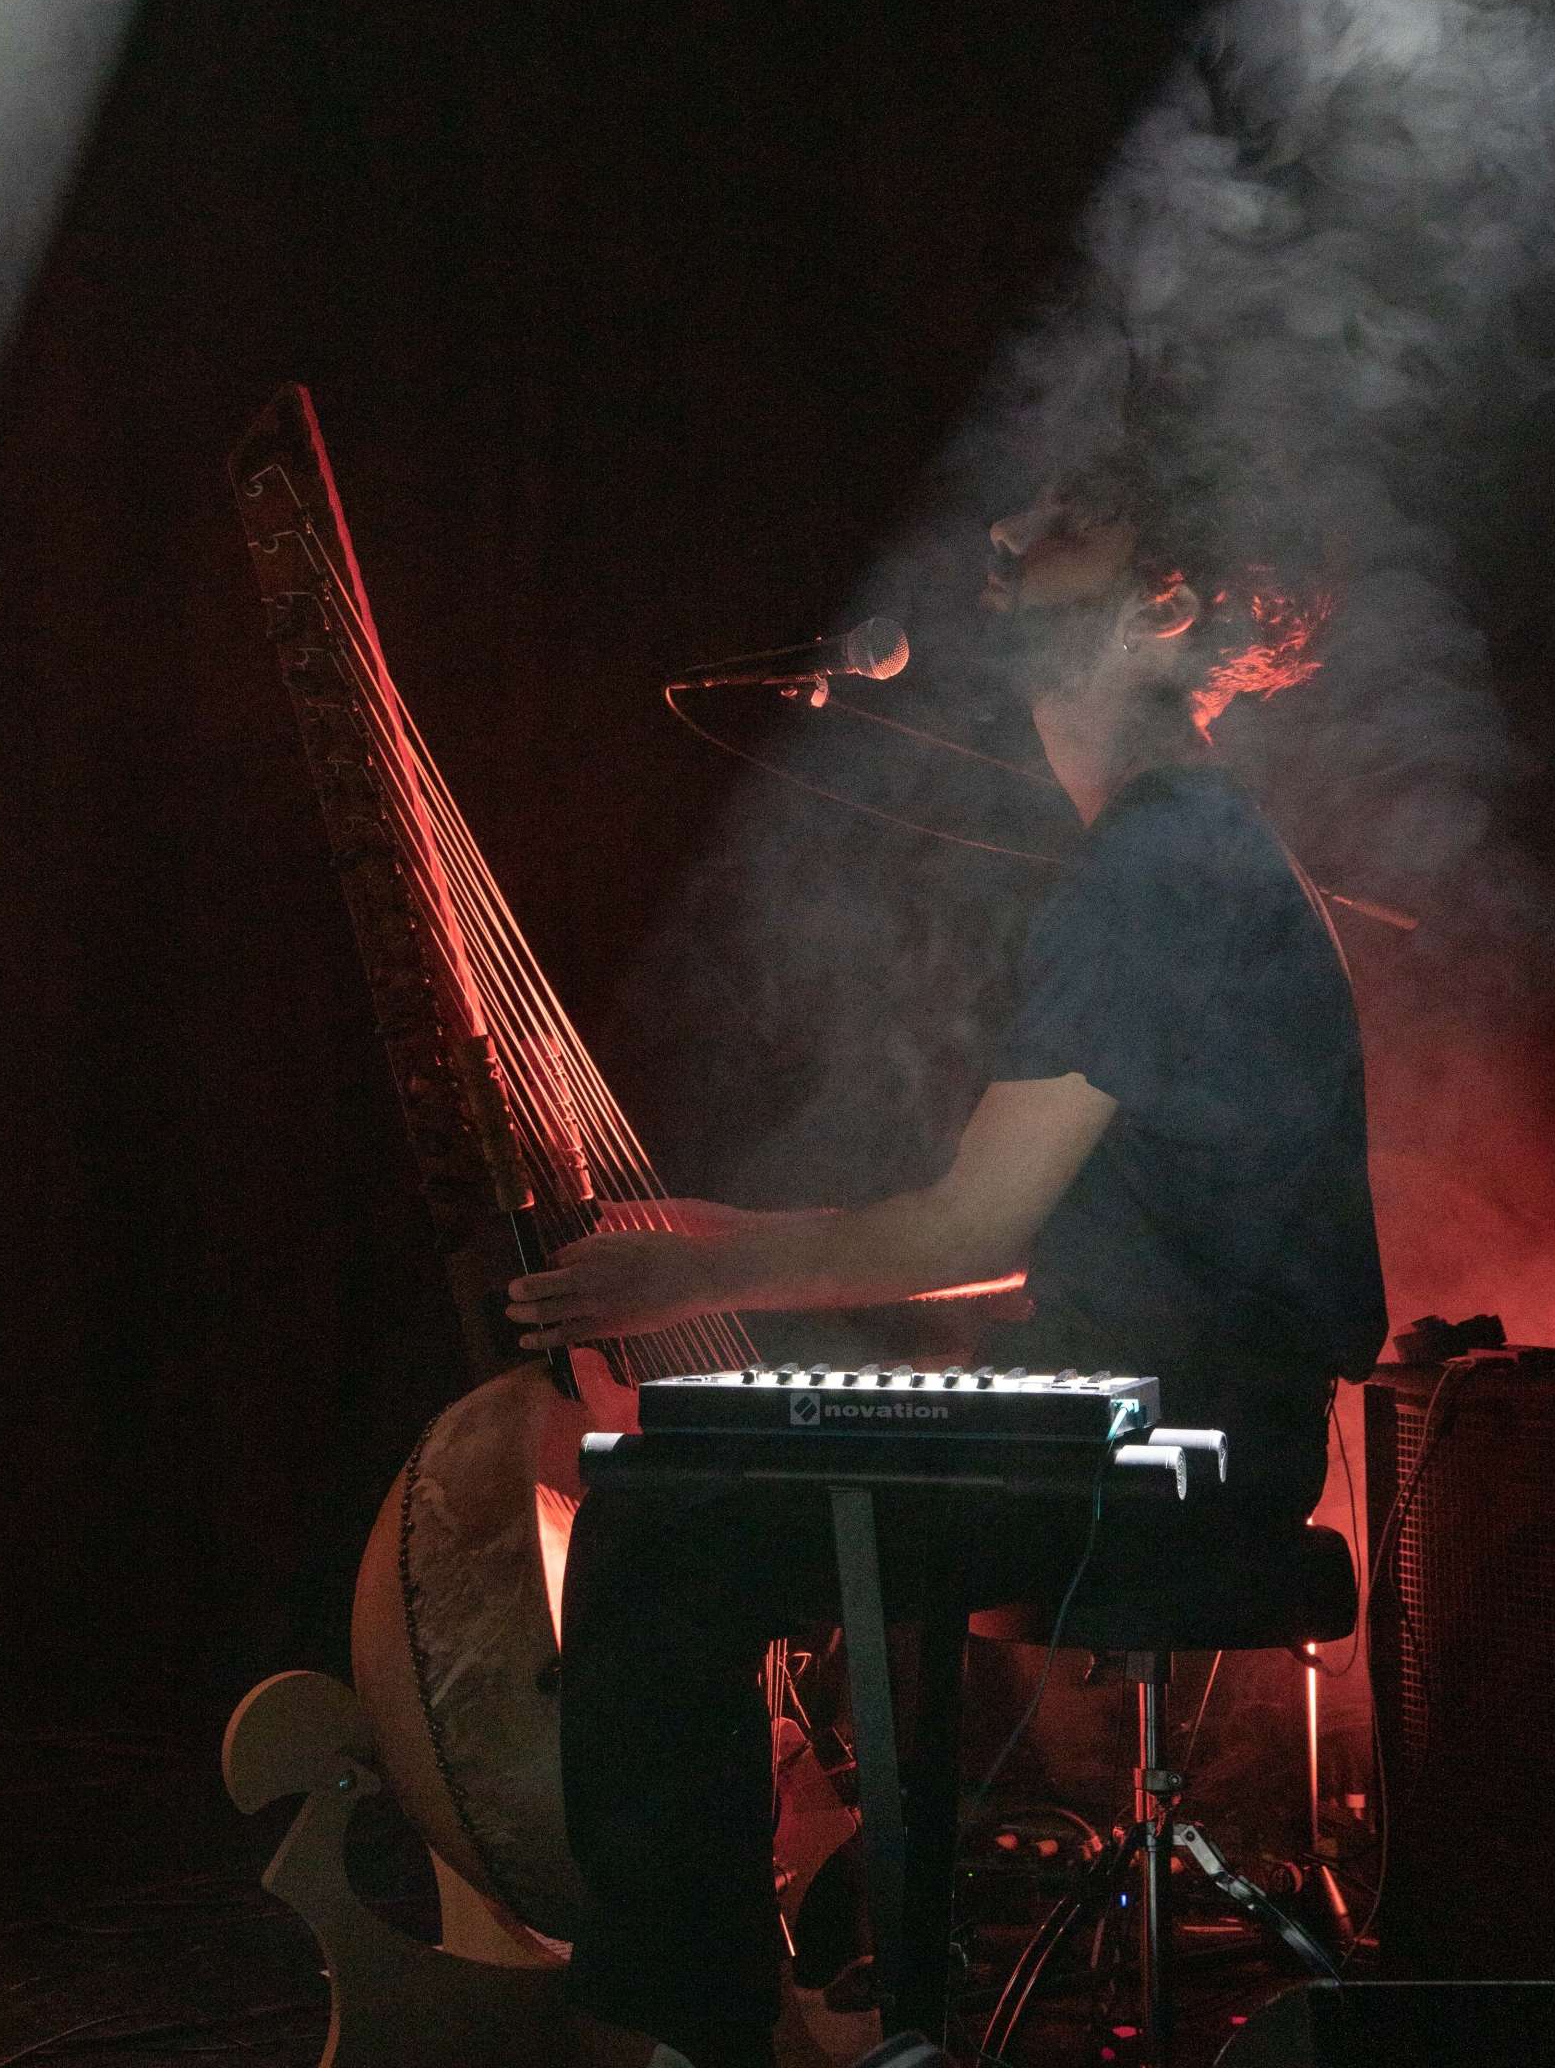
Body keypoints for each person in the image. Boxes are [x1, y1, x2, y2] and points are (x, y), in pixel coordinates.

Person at [507, 493, 1388, 2068]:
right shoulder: (1175, 849)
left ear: (1158, 605)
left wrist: (684, 1276)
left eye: (1069, 527)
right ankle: (799, 1992)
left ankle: (697, 2041)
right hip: (1172, 1413)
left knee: (663, 1526)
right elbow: (1035, 1231)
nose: (1009, 540)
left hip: (1178, 1452)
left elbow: (968, 1229)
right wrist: (697, 1235)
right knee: (726, 1483)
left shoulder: (1158, 867)